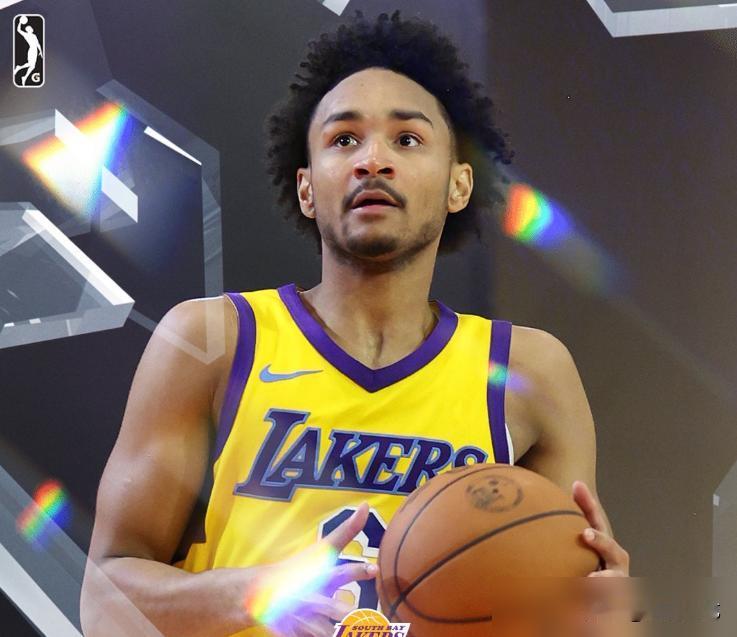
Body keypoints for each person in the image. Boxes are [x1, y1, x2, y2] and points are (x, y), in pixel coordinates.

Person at [80, 10, 635, 637]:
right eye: (344, 139)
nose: (373, 160)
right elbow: (104, 601)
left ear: (459, 185)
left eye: (407, 139)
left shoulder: (529, 371)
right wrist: (255, 595)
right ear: (306, 187)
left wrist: (596, 619)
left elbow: (565, 608)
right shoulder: (214, 340)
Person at [14, 20, 43, 86]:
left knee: (32, 66)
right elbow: (18, 30)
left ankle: (24, 77)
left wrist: (40, 52)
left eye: (31, 28)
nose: (32, 28)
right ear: (28, 30)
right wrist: (20, 22)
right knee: (31, 64)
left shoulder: (34, 35)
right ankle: (19, 68)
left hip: (35, 51)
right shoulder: (26, 35)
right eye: (30, 28)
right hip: (31, 50)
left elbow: (38, 44)